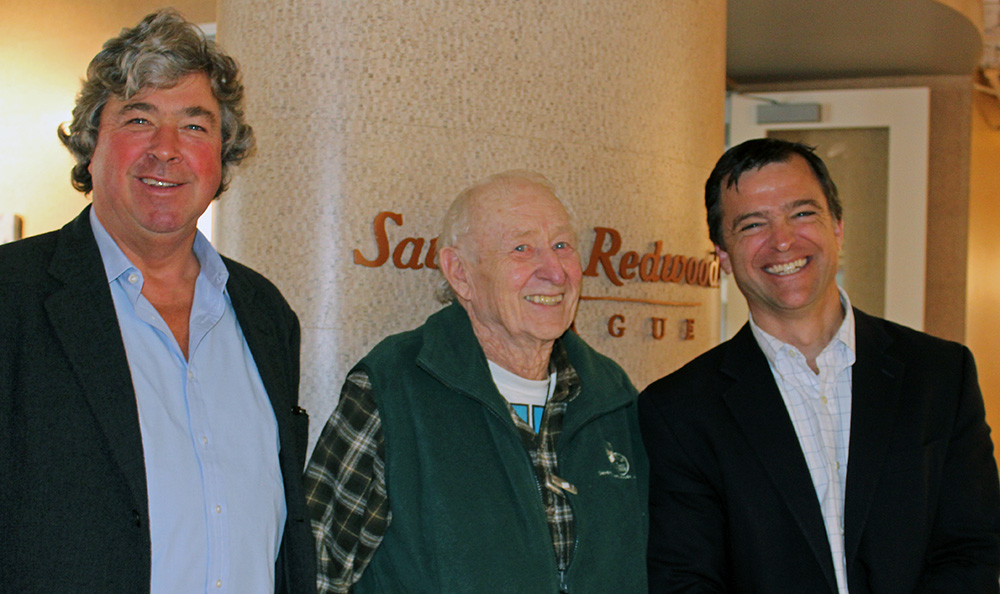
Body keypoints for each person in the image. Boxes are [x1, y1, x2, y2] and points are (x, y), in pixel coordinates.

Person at [0, 10, 315, 593]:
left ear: (223, 156)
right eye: (139, 118)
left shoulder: (265, 313)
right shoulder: (11, 298)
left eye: (195, 127)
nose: (166, 149)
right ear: (92, 144)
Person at [638, 137, 1000, 593]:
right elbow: (686, 579)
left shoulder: (941, 375)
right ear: (723, 257)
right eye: (753, 224)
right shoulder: (679, 411)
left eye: (803, 213)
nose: (784, 240)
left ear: (838, 227)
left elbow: (970, 549)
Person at [304, 170, 648, 593]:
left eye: (562, 246)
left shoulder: (610, 393)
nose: (554, 272)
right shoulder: (393, 387)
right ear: (460, 273)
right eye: (522, 249)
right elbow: (316, 570)